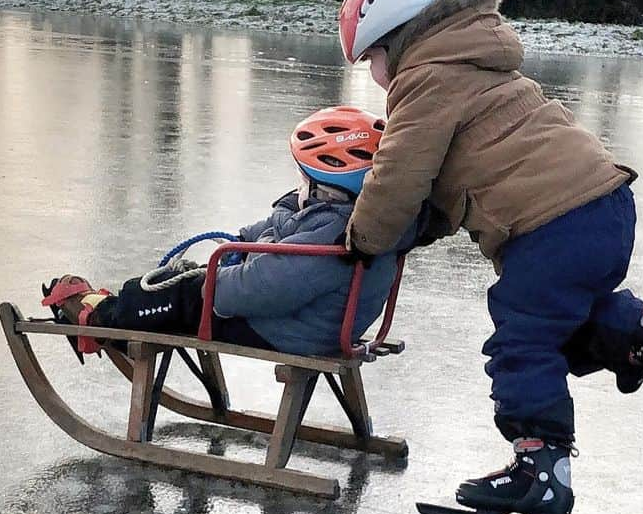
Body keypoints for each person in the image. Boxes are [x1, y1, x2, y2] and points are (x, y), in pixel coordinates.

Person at [337, 0, 643, 514]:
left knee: (521, 341)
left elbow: (400, 178)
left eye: (374, 59)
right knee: (558, 325)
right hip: (603, 208)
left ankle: (541, 470)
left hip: (553, 224)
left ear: (401, 34)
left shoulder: (425, 79)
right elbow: (449, 185)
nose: (376, 75)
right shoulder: (478, 63)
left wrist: (364, 239)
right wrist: (420, 229)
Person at [44, 105, 423, 359]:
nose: (299, 186)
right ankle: (124, 314)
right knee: (189, 278)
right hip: (317, 323)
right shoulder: (353, 219)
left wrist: (216, 277)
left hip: (292, 332)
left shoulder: (330, 235)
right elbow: (272, 230)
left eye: (303, 178)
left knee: (184, 294)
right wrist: (244, 246)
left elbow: (256, 288)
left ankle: (96, 321)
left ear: (324, 183)